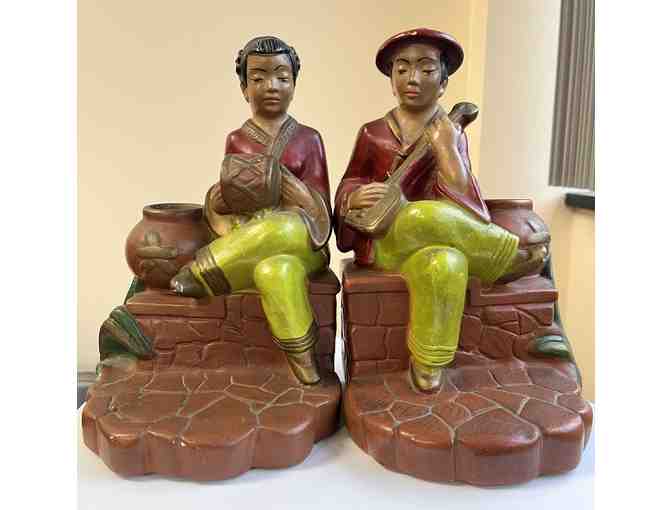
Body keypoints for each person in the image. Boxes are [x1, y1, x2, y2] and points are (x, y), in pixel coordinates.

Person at [335, 28, 551, 392]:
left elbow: (468, 207)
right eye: (402, 69)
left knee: (446, 263)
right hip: (387, 243)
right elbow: (349, 184)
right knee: (416, 215)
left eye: (426, 68)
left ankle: (428, 362)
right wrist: (353, 197)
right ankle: (504, 257)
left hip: (441, 237)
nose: (413, 78)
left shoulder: (450, 131)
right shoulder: (373, 133)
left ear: (444, 82)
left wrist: (447, 149)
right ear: (391, 80)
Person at [171, 36, 331, 385]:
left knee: (284, 227)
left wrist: (287, 186)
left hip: (303, 240)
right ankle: (303, 361)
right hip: (252, 242)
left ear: (294, 85)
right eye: (258, 78)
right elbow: (230, 197)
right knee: (275, 270)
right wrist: (222, 199)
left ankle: (203, 271)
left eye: (282, 77)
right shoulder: (238, 139)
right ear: (244, 88)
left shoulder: (308, 138)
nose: (271, 86)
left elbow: (321, 211)